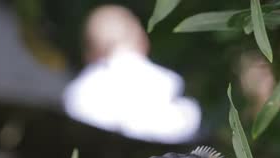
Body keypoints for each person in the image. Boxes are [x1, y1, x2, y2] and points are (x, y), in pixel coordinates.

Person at [63, 5, 201, 144]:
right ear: (141, 38)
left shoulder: (78, 92)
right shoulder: (166, 82)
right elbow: (182, 130)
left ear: (90, 52)